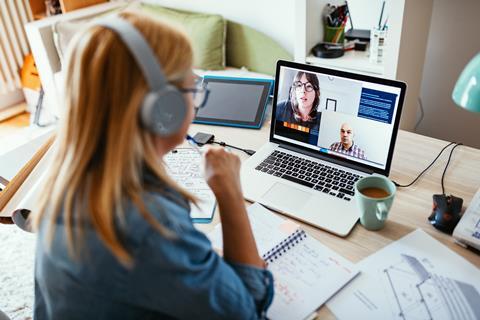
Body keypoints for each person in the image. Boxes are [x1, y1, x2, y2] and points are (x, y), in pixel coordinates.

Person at [33, 12, 273, 320]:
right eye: (193, 89)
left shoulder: (67, 181)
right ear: (165, 108)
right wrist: (230, 192)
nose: (197, 100)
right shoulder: (147, 226)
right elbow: (249, 310)